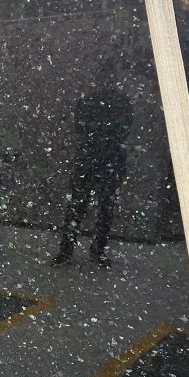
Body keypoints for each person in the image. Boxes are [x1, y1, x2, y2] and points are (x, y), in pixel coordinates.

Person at [53, 75, 133, 268]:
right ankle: (80, 250)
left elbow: (84, 127)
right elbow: (121, 127)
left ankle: (78, 250)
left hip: (97, 158)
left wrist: (97, 138)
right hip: (99, 158)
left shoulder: (96, 101)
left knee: (93, 207)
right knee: (89, 206)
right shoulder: (112, 102)